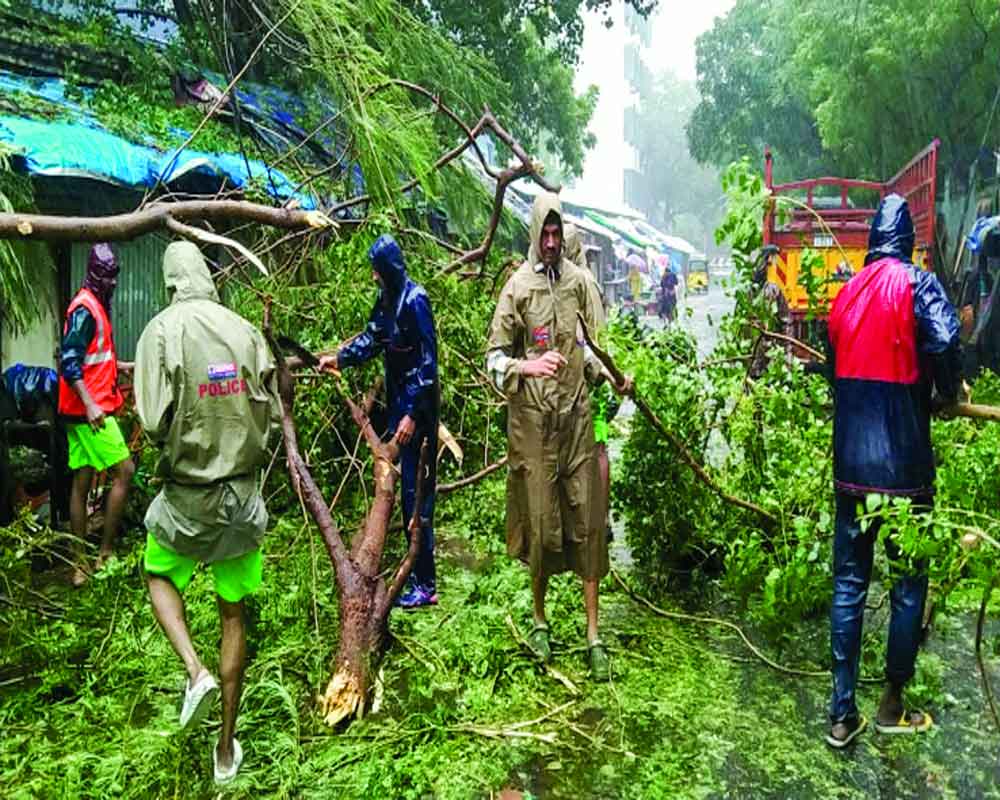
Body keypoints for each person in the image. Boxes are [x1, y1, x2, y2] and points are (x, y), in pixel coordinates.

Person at [134, 241, 280, 784]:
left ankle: (195, 671)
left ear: (171, 280)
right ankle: (225, 750)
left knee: (156, 573)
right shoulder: (244, 330)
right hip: (241, 500)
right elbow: (272, 399)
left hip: (187, 498)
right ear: (207, 275)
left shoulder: (162, 331)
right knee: (233, 616)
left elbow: (151, 418)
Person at [825, 194, 961, 748]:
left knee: (850, 585)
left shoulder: (845, 296)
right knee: (907, 586)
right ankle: (890, 704)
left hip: (851, 468)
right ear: (906, 241)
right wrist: (945, 390)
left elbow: (832, 373)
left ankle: (840, 715)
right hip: (904, 470)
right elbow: (948, 338)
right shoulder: (917, 284)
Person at [487, 192, 631, 680]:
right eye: (543, 234)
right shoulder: (517, 288)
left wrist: (610, 376)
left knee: (589, 521)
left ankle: (593, 634)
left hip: (576, 421)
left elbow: (589, 350)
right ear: (533, 233)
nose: (551, 242)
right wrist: (527, 365)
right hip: (532, 426)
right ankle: (540, 619)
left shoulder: (577, 284)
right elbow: (494, 361)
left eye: (556, 234)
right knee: (541, 522)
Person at [319, 234, 440, 609]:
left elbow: (428, 365)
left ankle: (425, 582)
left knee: (415, 494)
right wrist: (339, 358)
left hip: (418, 408)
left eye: (376, 271)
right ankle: (420, 573)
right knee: (405, 490)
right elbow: (372, 339)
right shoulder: (387, 301)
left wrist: (412, 415)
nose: (373, 277)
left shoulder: (415, 301)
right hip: (398, 400)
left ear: (388, 269)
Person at [57, 243, 134, 586]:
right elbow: (69, 362)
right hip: (89, 411)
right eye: (107, 275)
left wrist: (122, 369)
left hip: (84, 409)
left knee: (82, 481)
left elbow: (95, 357)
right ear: (93, 273)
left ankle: (79, 565)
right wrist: (90, 404)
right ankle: (104, 553)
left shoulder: (95, 306)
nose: (113, 282)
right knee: (124, 471)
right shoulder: (85, 309)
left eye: (115, 274)